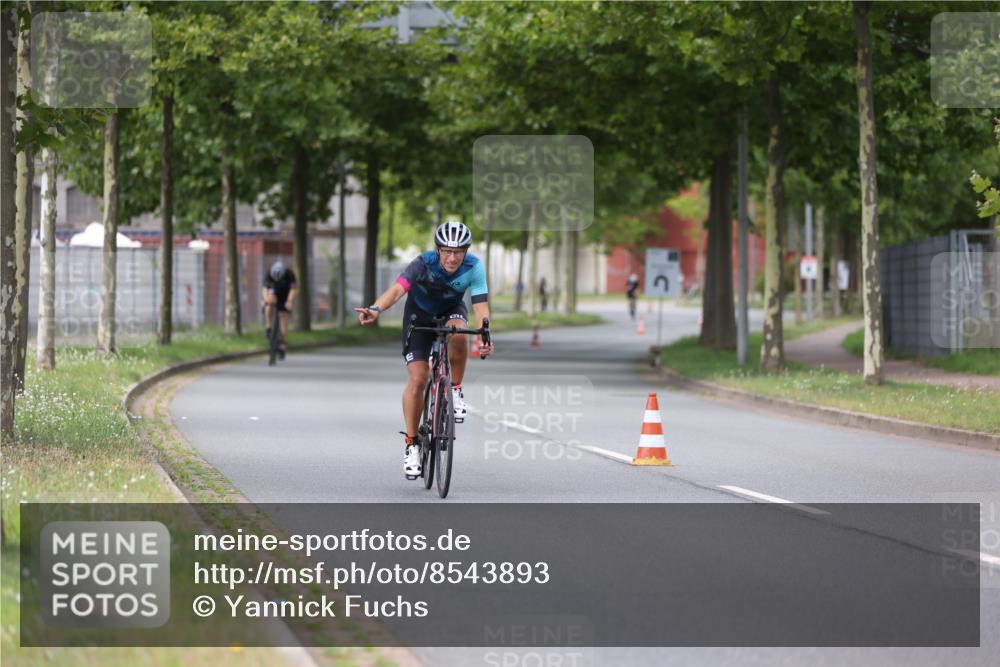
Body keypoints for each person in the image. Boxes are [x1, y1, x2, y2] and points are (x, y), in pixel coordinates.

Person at [355, 221, 494, 479]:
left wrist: (485, 333)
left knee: (459, 335)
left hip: (450, 311)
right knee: (419, 379)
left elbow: (480, 305)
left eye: (458, 251)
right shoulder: (422, 263)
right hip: (418, 317)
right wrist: (375, 309)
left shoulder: (474, 266)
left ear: (466, 251)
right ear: (438, 250)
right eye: (446, 251)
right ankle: (411, 445)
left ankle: (456, 389)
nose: (452, 257)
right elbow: (398, 290)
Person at [262, 260, 297, 358]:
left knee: (284, 319)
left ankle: (282, 345)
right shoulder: (269, 273)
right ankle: (268, 326)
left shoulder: (289, 274)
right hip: (274, 292)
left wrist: (289, 301)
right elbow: (265, 289)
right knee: (269, 303)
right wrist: (266, 300)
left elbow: (293, 290)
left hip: (285, 295)